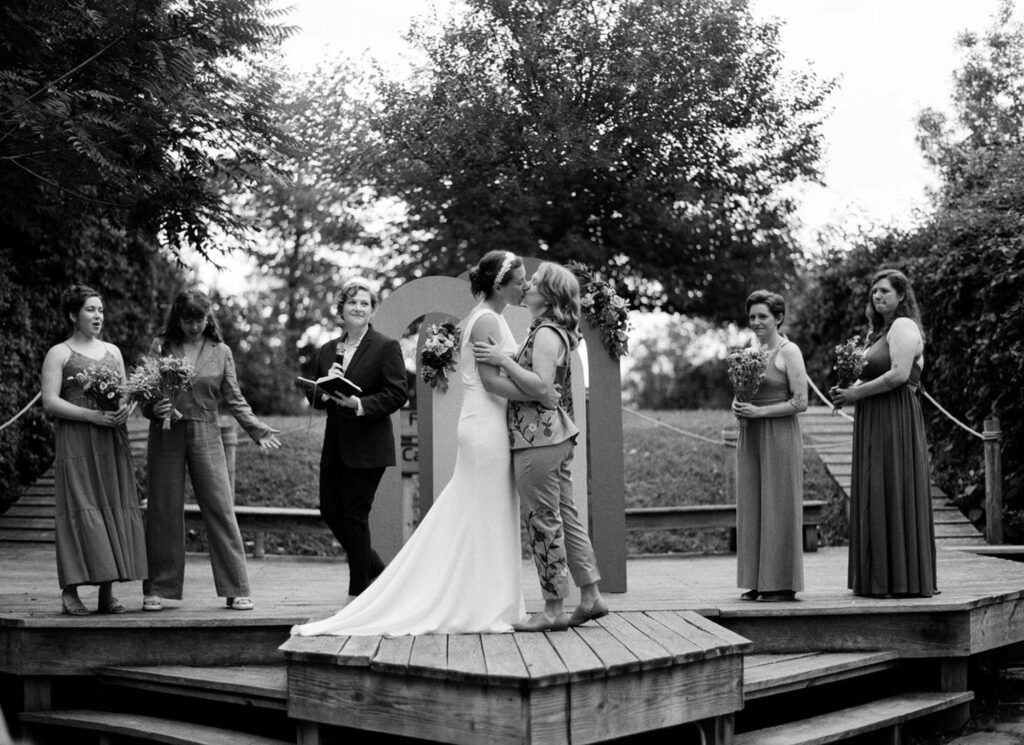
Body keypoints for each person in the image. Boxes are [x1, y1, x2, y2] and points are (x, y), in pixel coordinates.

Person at [293, 251, 556, 636]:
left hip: (479, 425)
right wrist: (540, 393)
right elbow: (490, 380)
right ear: (500, 284)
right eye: (519, 281)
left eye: (366, 303)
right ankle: (457, 597)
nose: (524, 286)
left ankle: (483, 598)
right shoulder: (485, 320)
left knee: (484, 514)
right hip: (484, 426)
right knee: (477, 513)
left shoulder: (484, 319)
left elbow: (399, 391)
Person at [474, 262, 607, 631]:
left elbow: (543, 388)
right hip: (553, 437)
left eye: (534, 282)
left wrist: (502, 360)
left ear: (547, 296)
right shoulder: (550, 330)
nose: (527, 285)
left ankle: (552, 609)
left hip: (538, 439)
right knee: (567, 515)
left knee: (543, 521)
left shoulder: (547, 334)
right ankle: (591, 595)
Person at [143, 290, 281, 612]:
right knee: (163, 509)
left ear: (209, 319)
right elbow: (145, 394)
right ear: (178, 319)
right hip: (166, 433)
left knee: (220, 506)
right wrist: (154, 407)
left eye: (200, 320)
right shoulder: (161, 346)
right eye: (188, 320)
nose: (194, 326)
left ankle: (236, 587)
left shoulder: (221, 351)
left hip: (206, 430)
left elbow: (233, 397)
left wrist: (256, 428)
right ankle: (158, 587)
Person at [40, 285, 146, 614]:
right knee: (80, 506)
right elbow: (50, 401)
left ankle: (106, 591)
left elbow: (126, 393)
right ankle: (70, 591)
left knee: (112, 504)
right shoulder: (59, 353)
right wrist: (92, 416)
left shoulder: (113, 351)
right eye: (90, 309)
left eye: (100, 309)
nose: (98, 315)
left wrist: (126, 408)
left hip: (111, 440)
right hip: (77, 439)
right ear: (74, 315)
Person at [831, 269, 937, 598]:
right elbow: (876, 374)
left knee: (894, 484)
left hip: (896, 417)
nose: (877, 296)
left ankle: (902, 578)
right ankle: (880, 577)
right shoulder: (878, 333)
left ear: (902, 296)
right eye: (874, 291)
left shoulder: (904, 326)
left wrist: (855, 395)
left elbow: (899, 376)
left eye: (885, 292)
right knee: (876, 488)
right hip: (874, 417)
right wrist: (849, 387)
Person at [306, 277, 408, 602]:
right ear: (341, 309)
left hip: (369, 446)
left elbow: (397, 393)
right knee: (330, 511)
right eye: (353, 302)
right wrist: (319, 397)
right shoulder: (326, 350)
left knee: (354, 515)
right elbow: (318, 392)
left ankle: (358, 593)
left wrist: (361, 405)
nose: (359, 308)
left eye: (365, 303)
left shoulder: (386, 346)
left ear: (372, 310)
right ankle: (378, 571)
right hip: (335, 445)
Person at [731, 290, 808, 602]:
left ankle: (781, 583)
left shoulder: (789, 352)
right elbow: (744, 390)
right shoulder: (751, 351)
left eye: (763, 316)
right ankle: (758, 580)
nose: (756, 322)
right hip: (751, 435)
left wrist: (761, 411)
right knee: (753, 504)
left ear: (778, 318)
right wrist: (737, 403)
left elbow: (801, 401)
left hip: (779, 435)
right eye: (752, 317)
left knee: (778, 503)